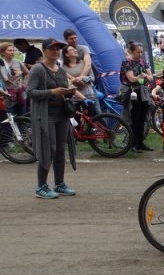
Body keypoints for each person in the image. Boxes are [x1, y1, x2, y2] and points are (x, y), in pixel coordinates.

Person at [27, 38, 85, 198]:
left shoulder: (59, 69)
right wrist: (52, 92)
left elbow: (63, 88)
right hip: (45, 115)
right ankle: (41, 186)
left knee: (60, 149)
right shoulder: (38, 69)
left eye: (58, 48)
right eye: (52, 48)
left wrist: (70, 91)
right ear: (44, 50)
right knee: (49, 149)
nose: (55, 51)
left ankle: (59, 183)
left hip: (61, 113)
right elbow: (30, 92)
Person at [121, 42, 155, 153]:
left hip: (143, 92)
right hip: (132, 92)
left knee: (142, 118)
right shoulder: (127, 62)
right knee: (134, 119)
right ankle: (133, 143)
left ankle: (140, 143)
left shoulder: (142, 62)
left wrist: (144, 77)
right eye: (138, 52)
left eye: (141, 52)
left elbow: (151, 78)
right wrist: (142, 77)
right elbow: (131, 79)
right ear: (131, 51)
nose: (140, 54)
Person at [62, 46, 97, 114]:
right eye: (72, 50)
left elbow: (92, 78)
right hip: (73, 97)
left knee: (90, 117)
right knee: (76, 119)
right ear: (66, 54)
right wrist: (74, 81)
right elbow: (65, 82)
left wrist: (82, 78)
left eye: (75, 49)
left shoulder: (83, 63)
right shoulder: (63, 67)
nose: (75, 51)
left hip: (88, 95)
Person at [1, 41, 29, 115]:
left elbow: (27, 73)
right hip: (7, 94)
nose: (12, 52)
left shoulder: (17, 62)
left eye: (13, 50)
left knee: (22, 116)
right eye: (9, 50)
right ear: (2, 52)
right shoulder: (1, 63)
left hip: (20, 94)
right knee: (10, 118)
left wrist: (25, 83)